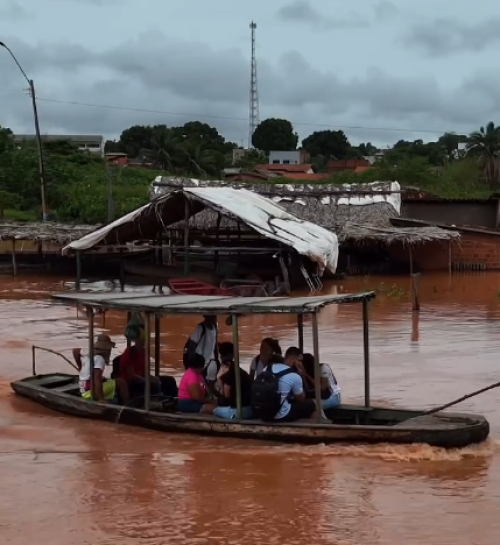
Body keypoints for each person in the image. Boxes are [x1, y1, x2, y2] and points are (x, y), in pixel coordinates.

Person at [251, 348, 317, 422]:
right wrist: (301, 375)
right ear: (294, 359)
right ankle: (315, 428)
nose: (302, 364)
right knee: (311, 404)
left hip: (263, 414)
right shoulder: (294, 376)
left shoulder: (267, 368)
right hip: (281, 416)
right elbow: (301, 399)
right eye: (300, 361)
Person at [74, 333, 129, 403]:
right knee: (121, 383)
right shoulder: (100, 359)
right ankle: (127, 406)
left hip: (83, 389)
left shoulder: (88, 352)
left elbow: (75, 351)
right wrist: (101, 399)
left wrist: (81, 369)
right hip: (90, 392)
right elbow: (96, 379)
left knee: (106, 380)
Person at [119, 324, 162, 398]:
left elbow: (145, 372)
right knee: (151, 384)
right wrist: (146, 379)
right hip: (130, 381)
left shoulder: (144, 353)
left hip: (141, 378)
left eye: (144, 341)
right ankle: (153, 401)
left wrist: (153, 378)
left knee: (168, 380)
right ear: (136, 341)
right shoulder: (129, 353)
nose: (143, 343)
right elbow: (131, 376)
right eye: (141, 341)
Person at [213, 342, 253, 419]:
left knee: (212, 409)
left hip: (241, 411)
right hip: (251, 408)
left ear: (221, 356)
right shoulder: (240, 370)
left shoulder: (229, 372)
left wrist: (219, 378)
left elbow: (226, 398)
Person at [183, 315, 219, 390]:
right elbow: (191, 347)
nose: (214, 318)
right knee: (199, 383)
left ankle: (208, 396)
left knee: (209, 383)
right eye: (212, 316)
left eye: (214, 315)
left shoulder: (215, 326)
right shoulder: (201, 328)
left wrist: (217, 360)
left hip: (210, 361)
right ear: (205, 316)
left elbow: (215, 345)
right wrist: (190, 366)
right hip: (199, 361)